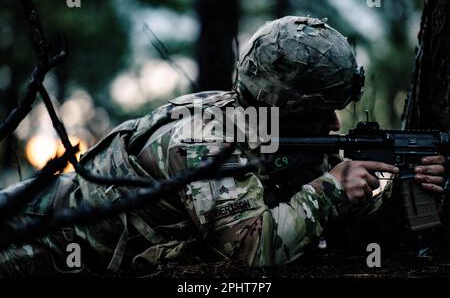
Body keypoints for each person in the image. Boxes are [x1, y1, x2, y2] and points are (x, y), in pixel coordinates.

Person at [0, 16, 446, 276]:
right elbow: (251, 253)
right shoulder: (204, 140)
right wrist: (331, 188)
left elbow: (346, 228)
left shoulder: (277, 130)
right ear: (285, 107)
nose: (333, 124)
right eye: (321, 111)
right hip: (40, 238)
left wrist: (406, 196)